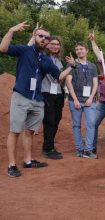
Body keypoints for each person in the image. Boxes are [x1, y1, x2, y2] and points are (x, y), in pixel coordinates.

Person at [0, 22, 73, 177]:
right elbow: (3, 48)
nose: (44, 39)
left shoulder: (46, 60)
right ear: (35, 36)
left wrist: (71, 67)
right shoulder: (24, 50)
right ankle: (12, 165)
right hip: (21, 97)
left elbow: (59, 76)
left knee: (30, 132)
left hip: (38, 100)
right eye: (40, 36)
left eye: (46, 38)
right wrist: (11, 30)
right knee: (15, 132)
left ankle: (28, 161)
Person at [65, 42, 98, 159]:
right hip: (75, 100)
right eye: (77, 49)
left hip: (90, 101)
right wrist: (75, 100)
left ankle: (88, 150)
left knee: (91, 125)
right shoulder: (72, 65)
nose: (79, 51)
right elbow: (68, 82)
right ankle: (79, 149)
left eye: (81, 49)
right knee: (76, 125)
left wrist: (91, 98)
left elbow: (95, 83)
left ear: (87, 50)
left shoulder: (93, 66)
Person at [40, 36, 66, 160]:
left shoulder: (59, 61)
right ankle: (47, 148)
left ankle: (50, 145)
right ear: (48, 45)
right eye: (52, 44)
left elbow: (61, 77)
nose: (55, 46)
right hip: (46, 92)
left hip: (58, 93)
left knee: (56, 119)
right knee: (49, 120)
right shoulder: (43, 57)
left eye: (57, 44)